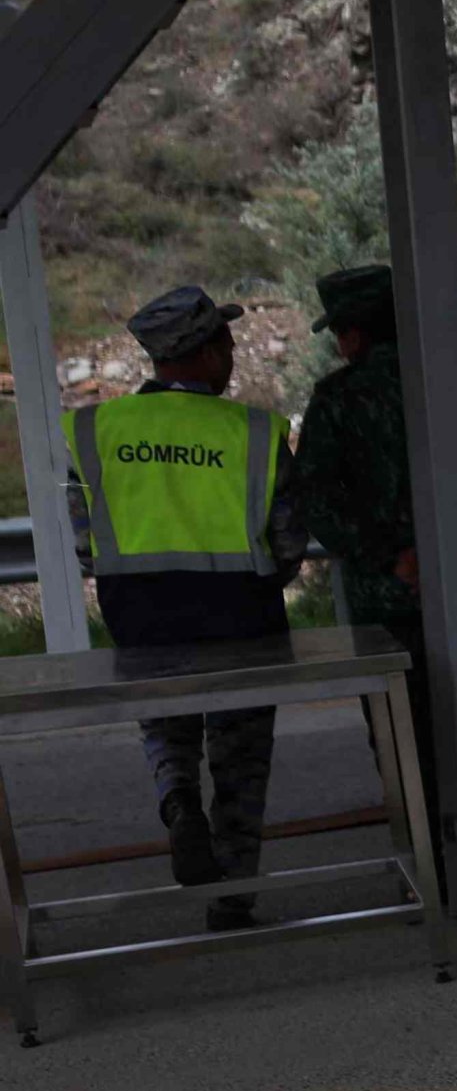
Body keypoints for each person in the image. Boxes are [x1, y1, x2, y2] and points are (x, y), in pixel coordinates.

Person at [276, 264, 457, 881]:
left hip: (384, 601)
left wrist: (387, 556)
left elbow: (316, 496)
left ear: (354, 336)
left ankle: (425, 861)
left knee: (398, 728)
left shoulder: (337, 400)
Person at [66, 285, 293, 930]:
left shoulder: (94, 430)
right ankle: (231, 898)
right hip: (242, 618)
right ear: (208, 350)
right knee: (241, 756)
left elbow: (85, 542)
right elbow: (289, 540)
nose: (232, 355)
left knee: (165, 723)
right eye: (226, 343)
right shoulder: (253, 431)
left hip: (141, 617)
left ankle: (176, 799)